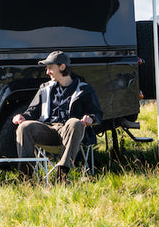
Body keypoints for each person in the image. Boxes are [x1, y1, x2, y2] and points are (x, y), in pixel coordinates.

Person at [12, 51, 102, 181]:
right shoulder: (45, 88)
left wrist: (91, 118)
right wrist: (23, 117)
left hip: (70, 132)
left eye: (50, 67)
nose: (47, 72)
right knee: (24, 127)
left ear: (62, 67)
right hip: (48, 131)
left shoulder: (84, 90)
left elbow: (97, 113)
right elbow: (32, 111)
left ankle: (62, 174)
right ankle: (26, 177)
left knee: (74, 122)